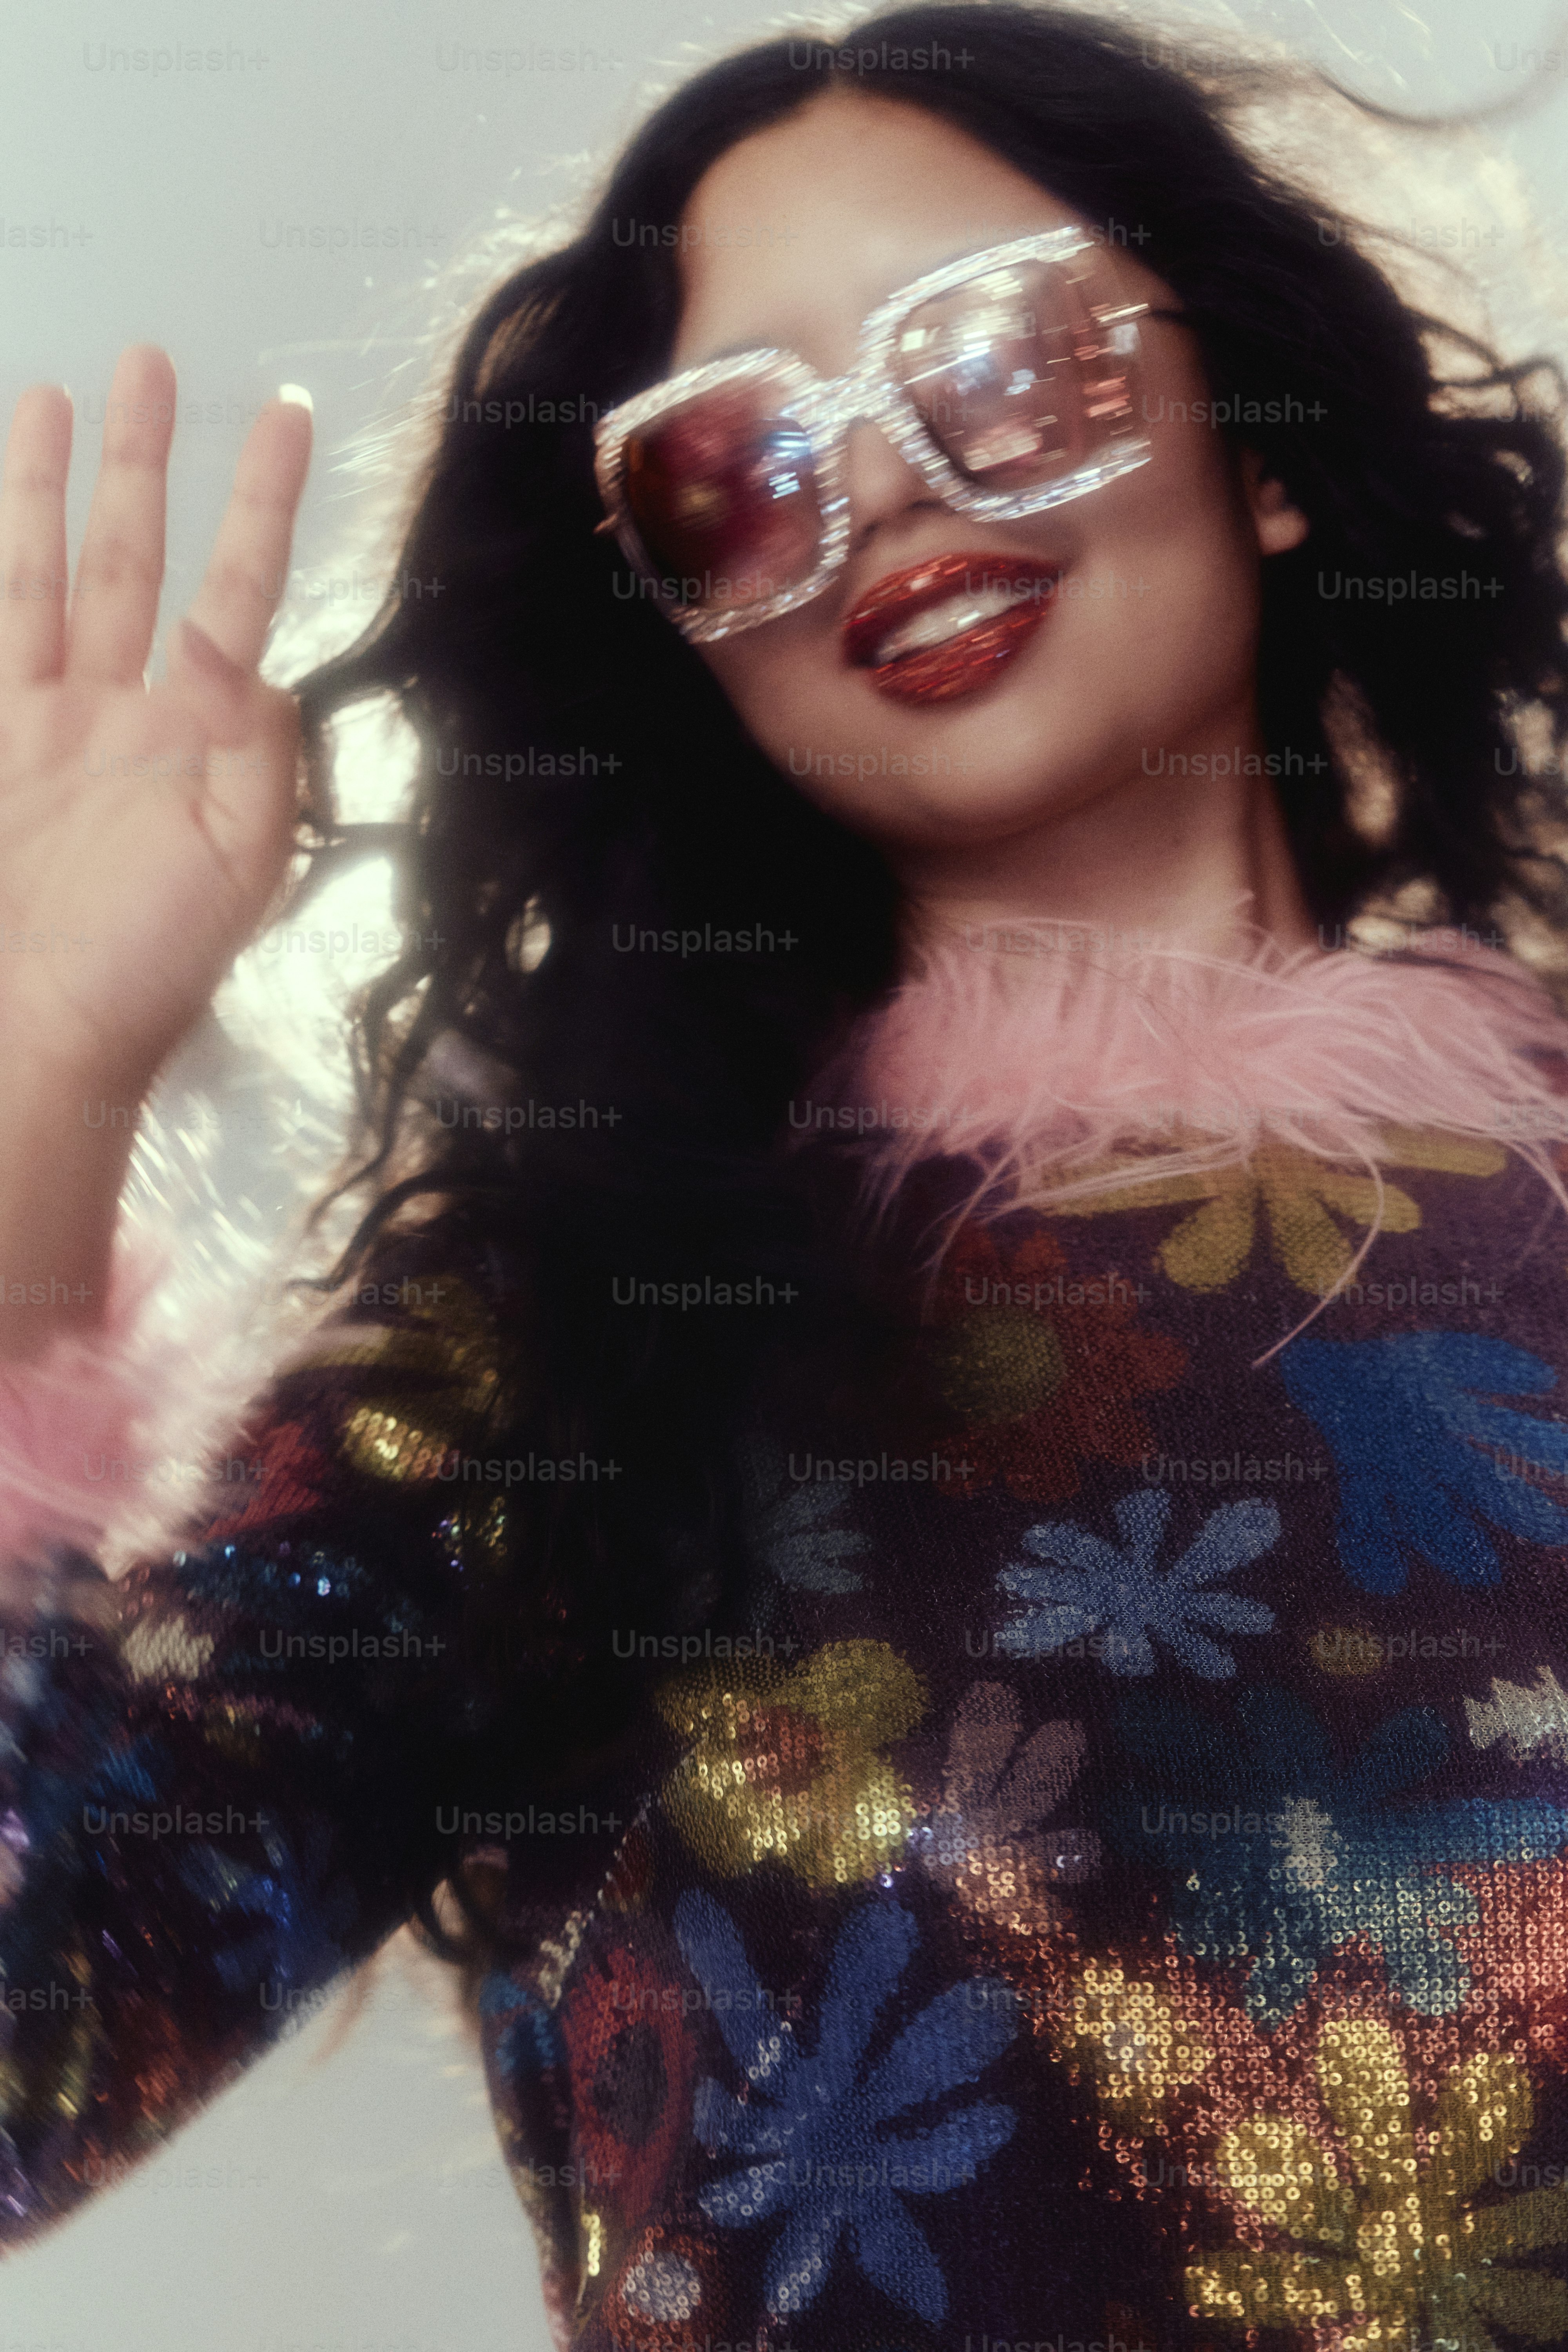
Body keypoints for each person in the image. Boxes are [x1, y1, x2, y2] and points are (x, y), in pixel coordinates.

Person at [4, 6, 1568, 2346]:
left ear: (1257, 440)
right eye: (737, 470)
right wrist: (40, 1062)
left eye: (1004, 362)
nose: (903, 495)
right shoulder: (570, 1357)